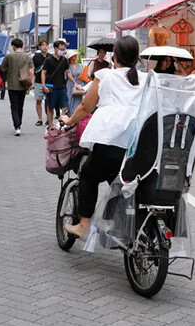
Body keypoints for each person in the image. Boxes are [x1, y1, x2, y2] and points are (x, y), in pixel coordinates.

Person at [59, 36, 145, 239]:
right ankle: (122, 222)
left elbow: (86, 106)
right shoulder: (145, 78)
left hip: (110, 138)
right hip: (137, 142)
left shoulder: (106, 75)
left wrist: (69, 121)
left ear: (116, 56)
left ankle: (83, 225)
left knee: (89, 176)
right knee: (122, 181)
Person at [1, 38, 32, 135]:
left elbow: (2, 68)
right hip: (23, 84)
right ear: (22, 46)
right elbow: (31, 71)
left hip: (12, 85)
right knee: (20, 106)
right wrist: (30, 84)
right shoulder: (27, 57)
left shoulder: (9, 56)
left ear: (14, 46)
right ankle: (19, 124)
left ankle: (17, 126)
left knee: (14, 106)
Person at [41, 40, 72, 126]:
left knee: (65, 106)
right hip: (51, 87)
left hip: (62, 86)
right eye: (61, 49)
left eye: (64, 49)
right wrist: (43, 85)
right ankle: (50, 124)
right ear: (55, 49)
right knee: (51, 106)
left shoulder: (65, 60)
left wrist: (74, 82)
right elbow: (43, 73)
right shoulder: (48, 60)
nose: (62, 51)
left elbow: (68, 72)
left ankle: (61, 122)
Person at [32, 40, 49, 126]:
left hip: (49, 82)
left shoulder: (51, 56)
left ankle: (48, 119)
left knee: (49, 101)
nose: (44, 47)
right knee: (39, 100)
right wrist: (32, 83)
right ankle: (40, 119)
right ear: (39, 47)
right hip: (38, 81)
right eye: (43, 45)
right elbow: (33, 70)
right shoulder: (36, 57)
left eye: (46, 45)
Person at [65, 50, 85, 114]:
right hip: (70, 85)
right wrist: (74, 83)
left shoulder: (80, 65)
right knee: (70, 100)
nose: (76, 56)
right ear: (70, 57)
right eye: (74, 55)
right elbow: (67, 75)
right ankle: (71, 114)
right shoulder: (67, 66)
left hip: (79, 84)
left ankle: (77, 116)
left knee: (79, 100)